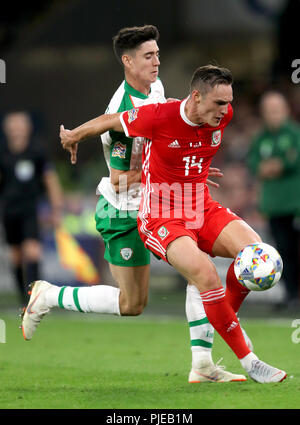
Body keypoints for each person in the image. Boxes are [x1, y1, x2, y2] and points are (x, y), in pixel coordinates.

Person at [23, 64, 286, 383]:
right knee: (199, 275)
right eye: (219, 102)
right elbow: (112, 121)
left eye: (229, 102)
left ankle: (211, 350)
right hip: (162, 215)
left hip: (200, 206)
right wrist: (74, 135)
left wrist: (194, 172)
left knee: (257, 254)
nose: (225, 110)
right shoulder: (159, 116)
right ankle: (250, 360)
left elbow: (191, 154)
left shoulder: (221, 117)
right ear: (196, 96)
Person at [0, 111, 63, 305]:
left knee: (33, 252)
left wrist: (56, 208)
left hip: (31, 209)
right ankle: (23, 300)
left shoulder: (37, 151)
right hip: (10, 210)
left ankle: (35, 299)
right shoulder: (3, 151)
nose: (17, 129)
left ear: (28, 128)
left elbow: (50, 179)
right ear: (6, 129)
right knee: (17, 256)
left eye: (21, 125)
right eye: (13, 125)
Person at [248, 91, 300, 309]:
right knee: (282, 250)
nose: (273, 115)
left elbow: (290, 161)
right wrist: (270, 166)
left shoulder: (294, 134)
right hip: (274, 205)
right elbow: (253, 163)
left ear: (285, 110)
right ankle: (291, 294)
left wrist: (274, 166)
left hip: (295, 204)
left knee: (296, 249)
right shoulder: (261, 138)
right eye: (268, 111)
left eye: (276, 110)